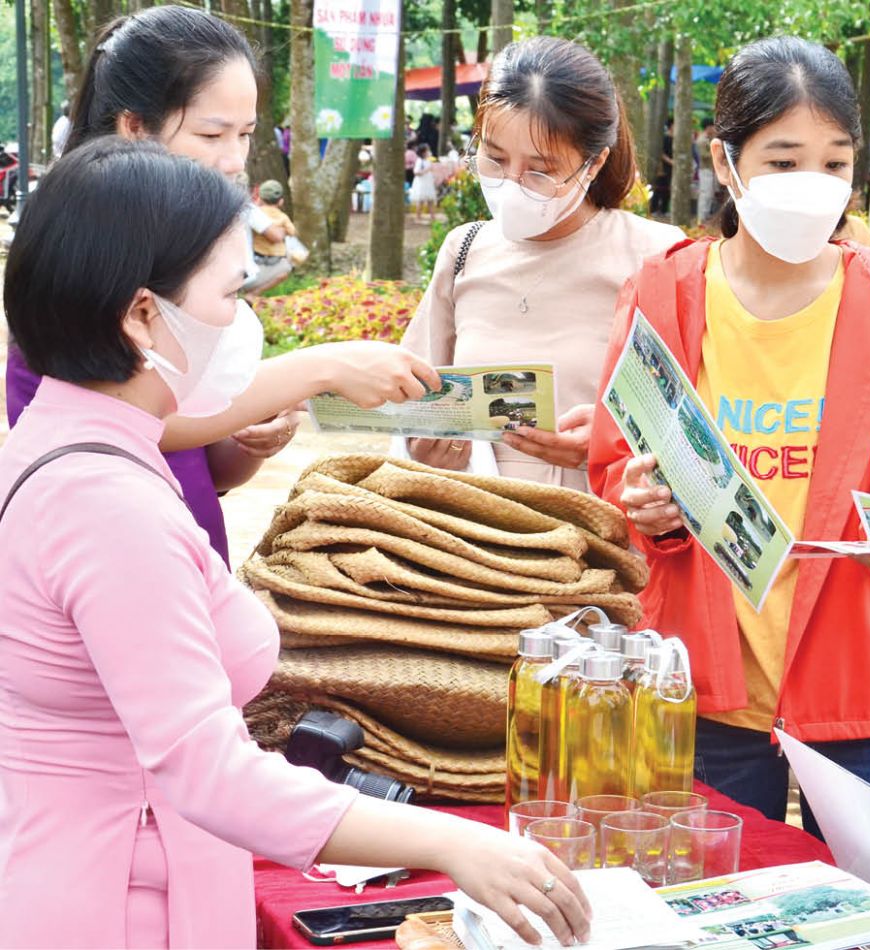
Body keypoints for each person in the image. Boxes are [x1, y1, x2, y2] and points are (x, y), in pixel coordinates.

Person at [0, 138, 594, 950]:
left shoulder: (63, 437)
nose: (244, 322)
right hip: (121, 904)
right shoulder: (108, 506)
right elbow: (205, 767)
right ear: (143, 315)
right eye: (229, 293)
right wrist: (454, 842)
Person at [590, 36, 870, 832]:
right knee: (710, 895)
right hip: (703, 679)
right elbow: (619, 462)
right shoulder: (662, 292)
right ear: (726, 163)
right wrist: (642, 501)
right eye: (784, 161)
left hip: (853, 686)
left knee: (863, 907)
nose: (813, 186)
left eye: (835, 164)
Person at [6, 6, 432, 566]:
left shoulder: (182, 247)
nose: (234, 161)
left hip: (189, 556)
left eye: (247, 134)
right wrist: (313, 369)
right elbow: (124, 425)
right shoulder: (79, 256)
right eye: (211, 133)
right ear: (134, 127)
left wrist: (249, 439)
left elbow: (206, 464)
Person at [401, 37, 684, 488]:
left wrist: (612, 447)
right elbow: (414, 401)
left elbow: (699, 433)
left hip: (600, 542)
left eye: (541, 169)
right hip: (475, 540)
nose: (512, 184)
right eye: (494, 158)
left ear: (593, 165)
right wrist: (426, 447)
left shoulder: (657, 257)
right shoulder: (464, 250)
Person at [250, 179, 297, 288]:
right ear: (281, 201)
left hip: (257, 255)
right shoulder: (283, 217)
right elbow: (292, 232)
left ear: (260, 198)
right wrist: (284, 231)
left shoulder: (256, 212)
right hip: (275, 257)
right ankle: (253, 293)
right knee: (287, 267)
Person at [651, 116, 674, 216]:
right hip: (664, 167)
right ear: (671, 126)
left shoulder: (676, 139)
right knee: (659, 188)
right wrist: (670, 161)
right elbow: (661, 153)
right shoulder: (665, 138)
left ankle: (664, 210)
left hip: (673, 168)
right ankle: (654, 209)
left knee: (668, 189)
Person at [410, 142, 439, 221]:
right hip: (422, 184)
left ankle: (433, 217)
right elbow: (416, 172)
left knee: (430, 200)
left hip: (428, 182)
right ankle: (418, 217)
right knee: (421, 201)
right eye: (427, 150)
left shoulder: (428, 160)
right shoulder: (420, 161)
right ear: (423, 152)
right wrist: (426, 170)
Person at [696, 117, 717, 222]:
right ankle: (701, 218)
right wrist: (716, 153)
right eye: (713, 126)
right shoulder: (702, 140)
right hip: (705, 170)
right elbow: (703, 155)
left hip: (710, 170)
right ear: (708, 127)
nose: (714, 128)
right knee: (705, 194)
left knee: (710, 194)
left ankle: (706, 216)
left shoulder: (710, 138)